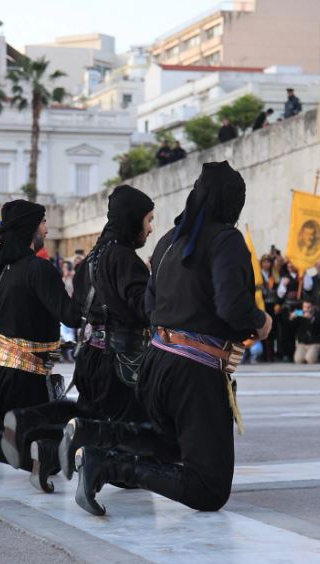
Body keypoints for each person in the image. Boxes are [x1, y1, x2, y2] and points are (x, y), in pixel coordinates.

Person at [73, 161, 271, 516]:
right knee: (209, 489)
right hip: (194, 371)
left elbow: (150, 304)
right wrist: (262, 321)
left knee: (169, 444)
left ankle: (95, 440)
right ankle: (108, 466)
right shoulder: (226, 239)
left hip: (156, 364)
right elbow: (234, 309)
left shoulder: (168, 241)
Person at [0, 200, 80, 481]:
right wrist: (88, 288)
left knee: (0, 425)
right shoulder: (38, 269)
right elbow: (71, 316)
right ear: (31, 228)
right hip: (25, 376)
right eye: (43, 222)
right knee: (45, 452)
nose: (46, 229)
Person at [56, 185, 156, 480]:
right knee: (132, 430)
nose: (151, 228)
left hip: (89, 358)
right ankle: (96, 462)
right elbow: (144, 307)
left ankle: (53, 456)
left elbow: (77, 310)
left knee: (94, 418)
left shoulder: (91, 259)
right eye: (148, 219)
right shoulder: (124, 259)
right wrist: (158, 284)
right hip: (121, 364)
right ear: (132, 219)